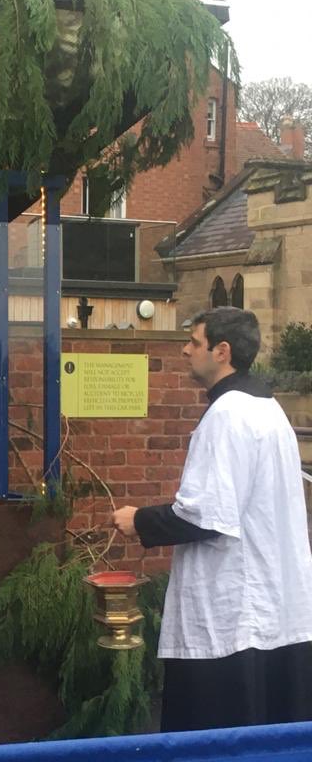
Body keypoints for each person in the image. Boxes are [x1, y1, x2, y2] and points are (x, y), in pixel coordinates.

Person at [112, 307, 312, 732]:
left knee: (218, 739)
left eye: (195, 342)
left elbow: (206, 516)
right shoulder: (269, 409)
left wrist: (139, 521)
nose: (185, 350)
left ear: (222, 352)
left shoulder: (228, 415)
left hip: (234, 616)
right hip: (276, 609)